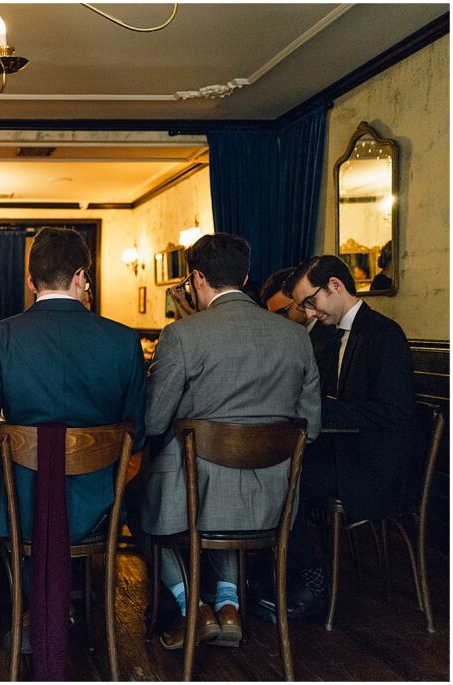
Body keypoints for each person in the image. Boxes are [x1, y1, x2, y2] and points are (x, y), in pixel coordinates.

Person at [140, 234, 320, 650]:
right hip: (273, 500)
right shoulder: (296, 337)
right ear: (246, 275)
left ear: (197, 278)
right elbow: (311, 426)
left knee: (137, 502)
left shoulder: (183, 335)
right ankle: (228, 603)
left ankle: (192, 607)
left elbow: (153, 421)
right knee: (224, 504)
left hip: (191, 496)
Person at [0, 227, 146, 545]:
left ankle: (12, 585)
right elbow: (136, 432)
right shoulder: (124, 339)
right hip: (99, 506)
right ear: (81, 276)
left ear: (31, 282)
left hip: (18, 509)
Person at [267, 254, 416, 620]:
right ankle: (284, 573)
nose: (311, 313)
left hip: (378, 465)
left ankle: (311, 581)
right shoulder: (335, 335)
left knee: (286, 483)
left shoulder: (384, 334)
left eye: (310, 302)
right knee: (274, 472)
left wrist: (321, 413)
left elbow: (394, 411)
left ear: (334, 286)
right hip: (349, 451)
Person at [262, 266, 337, 370]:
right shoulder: (286, 340)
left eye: (284, 311)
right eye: (274, 316)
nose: (280, 320)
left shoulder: (331, 336)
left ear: (301, 300)